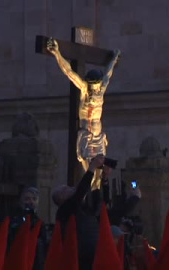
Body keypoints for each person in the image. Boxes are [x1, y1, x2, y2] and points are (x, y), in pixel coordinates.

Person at [47, 38, 120, 191]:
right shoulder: (85, 91)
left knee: (100, 175)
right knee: (89, 172)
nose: (94, 89)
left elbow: (108, 73)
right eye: (92, 86)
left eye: (96, 85)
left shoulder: (101, 90)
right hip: (86, 135)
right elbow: (69, 72)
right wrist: (57, 53)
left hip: (99, 136)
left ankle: (97, 201)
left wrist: (114, 59)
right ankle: (86, 198)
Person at [52, 155, 106, 270]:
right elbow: (81, 191)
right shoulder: (65, 209)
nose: (70, 188)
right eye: (65, 189)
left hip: (93, 254)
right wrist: (91, 168)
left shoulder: (81, 208)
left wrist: (102, 176)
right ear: (61, 197)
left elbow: (97, 205)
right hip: (78, 257)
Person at [7, 186, 47, 270]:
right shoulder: (14, 219)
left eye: (34, 199)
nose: (31, 202)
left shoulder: (39, 222)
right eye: (27, 199)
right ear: (21, 201)